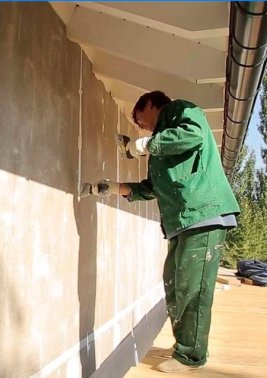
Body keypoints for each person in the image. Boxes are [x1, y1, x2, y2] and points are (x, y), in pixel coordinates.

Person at [89, 91, 240, 373]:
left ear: (150, 104)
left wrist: (145, 144)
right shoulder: (161, 149)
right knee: (173, 281)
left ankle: (191, 356)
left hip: (204, 214)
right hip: (183, 222)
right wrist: (114, 188)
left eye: (138, 119)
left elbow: (194, 134)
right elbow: (151, 189)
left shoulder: (180, 111)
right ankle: (185, 344)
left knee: (191, 288)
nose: (139, 126)